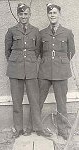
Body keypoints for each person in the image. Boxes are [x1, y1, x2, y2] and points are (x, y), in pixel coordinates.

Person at [5, 3, 51, 138]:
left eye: (26, 14)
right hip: (15, 70)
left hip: (31, 69)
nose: (23, 16)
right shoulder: (11, 30)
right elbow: (7, 51)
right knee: (17, 101)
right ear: (18, 15)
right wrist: (16, 61)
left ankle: (37, 128)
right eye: (21, 14)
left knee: (34, 100)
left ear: (29, 15)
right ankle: (18, 129)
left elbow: (37, 50)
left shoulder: (35, 31)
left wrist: (29, 61)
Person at [38, 3, 75, 140]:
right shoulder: (42, 33)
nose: (52, 15)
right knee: (38, 100)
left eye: (55, 12)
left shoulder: (67, 32)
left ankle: (63, 131)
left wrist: (60, 61)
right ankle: (35, 127)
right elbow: (40, 52)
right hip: (45, 71)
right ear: (48, 15)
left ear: (59, 14)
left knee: (61, 102)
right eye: (50, 13)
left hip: (61, 72)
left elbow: (71, 51)